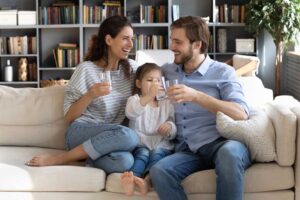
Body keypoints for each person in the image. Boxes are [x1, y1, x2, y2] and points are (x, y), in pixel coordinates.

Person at [149, 16, 252, 200]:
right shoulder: (167, 72)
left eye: (178, 42)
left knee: (230, 154)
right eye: (171, 40)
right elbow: (142, 82)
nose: (172, 47)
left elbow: (241, 114)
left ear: (197, 45)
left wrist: (197, 96)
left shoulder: (223, 72)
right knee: (159, 171)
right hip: (188, 150)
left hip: (222, 144)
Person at [26, 15, 139, 174]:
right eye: (125, 38)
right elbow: (69, 116)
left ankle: (85, 156)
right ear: (109, 40)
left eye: (132, 39)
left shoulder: (133, 69)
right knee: (129, 136)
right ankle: (63, 158)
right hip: (82, 131)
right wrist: (90, 95)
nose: (131, 44)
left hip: (111, 138)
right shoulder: (86, 69)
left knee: (124, 161)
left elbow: (152, 79)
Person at [120, 63, 177, 196]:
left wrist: (169, 127)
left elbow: (173, 123)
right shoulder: (135, 100)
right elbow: (131, 112)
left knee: (157, 155)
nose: (154, 84)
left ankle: (147, 180)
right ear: (139, 84)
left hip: (162, 144)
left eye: (158, 80)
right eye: (150, 80)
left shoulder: (166, 102)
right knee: (142, 156)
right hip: (141, 143)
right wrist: (149, 96)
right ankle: (133, 178)